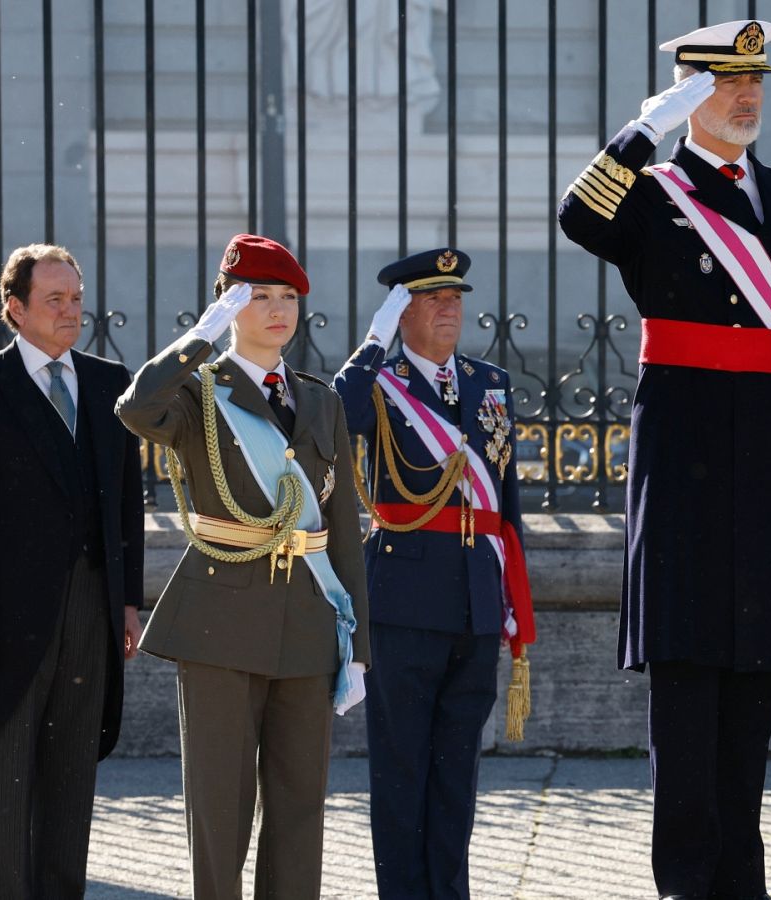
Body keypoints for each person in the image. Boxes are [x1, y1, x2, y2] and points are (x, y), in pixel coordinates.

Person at [557, 18, 771, 900]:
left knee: (753, 684)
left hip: (762, 453)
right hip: (680, 453)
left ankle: (740, 882)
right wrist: (647, 127)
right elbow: (575, 215)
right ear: (689, 94)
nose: (748, 95)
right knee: (685, 685)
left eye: (756, 80)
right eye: (724, 83)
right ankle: (685, 881)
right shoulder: (652, 189)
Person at [116, 233, 370, 899]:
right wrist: (198, 341)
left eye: (287, 296)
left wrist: (358, 644)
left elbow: (341, 529)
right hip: (219, 623)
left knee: (299, 810)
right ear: (228, 307)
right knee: (220, 809)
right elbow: (135, 410)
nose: (278, 310)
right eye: (258, 297)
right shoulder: (199, 391)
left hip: (308, 624)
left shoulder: (321, 400)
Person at [333, 248, 535, 899]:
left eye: (455, 298)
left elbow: (505, 504)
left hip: (476, 600)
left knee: (456, 775)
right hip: (403, 601)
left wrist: (511, 599)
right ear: (403, 311)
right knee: (400, 772)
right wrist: (373, 340)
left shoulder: (490, 382)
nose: (449, 309)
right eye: (431, 299)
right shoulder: (381, 384)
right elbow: (337, 417)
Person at [0, 244, 145, 899]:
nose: (70, 313)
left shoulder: (109, 383)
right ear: (16, 308)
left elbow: (124, 505)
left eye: (77, 299)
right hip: (2, 623)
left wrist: (127, 604)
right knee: (4, 798)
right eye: (54, 301)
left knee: (69, 789)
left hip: (91, 612)